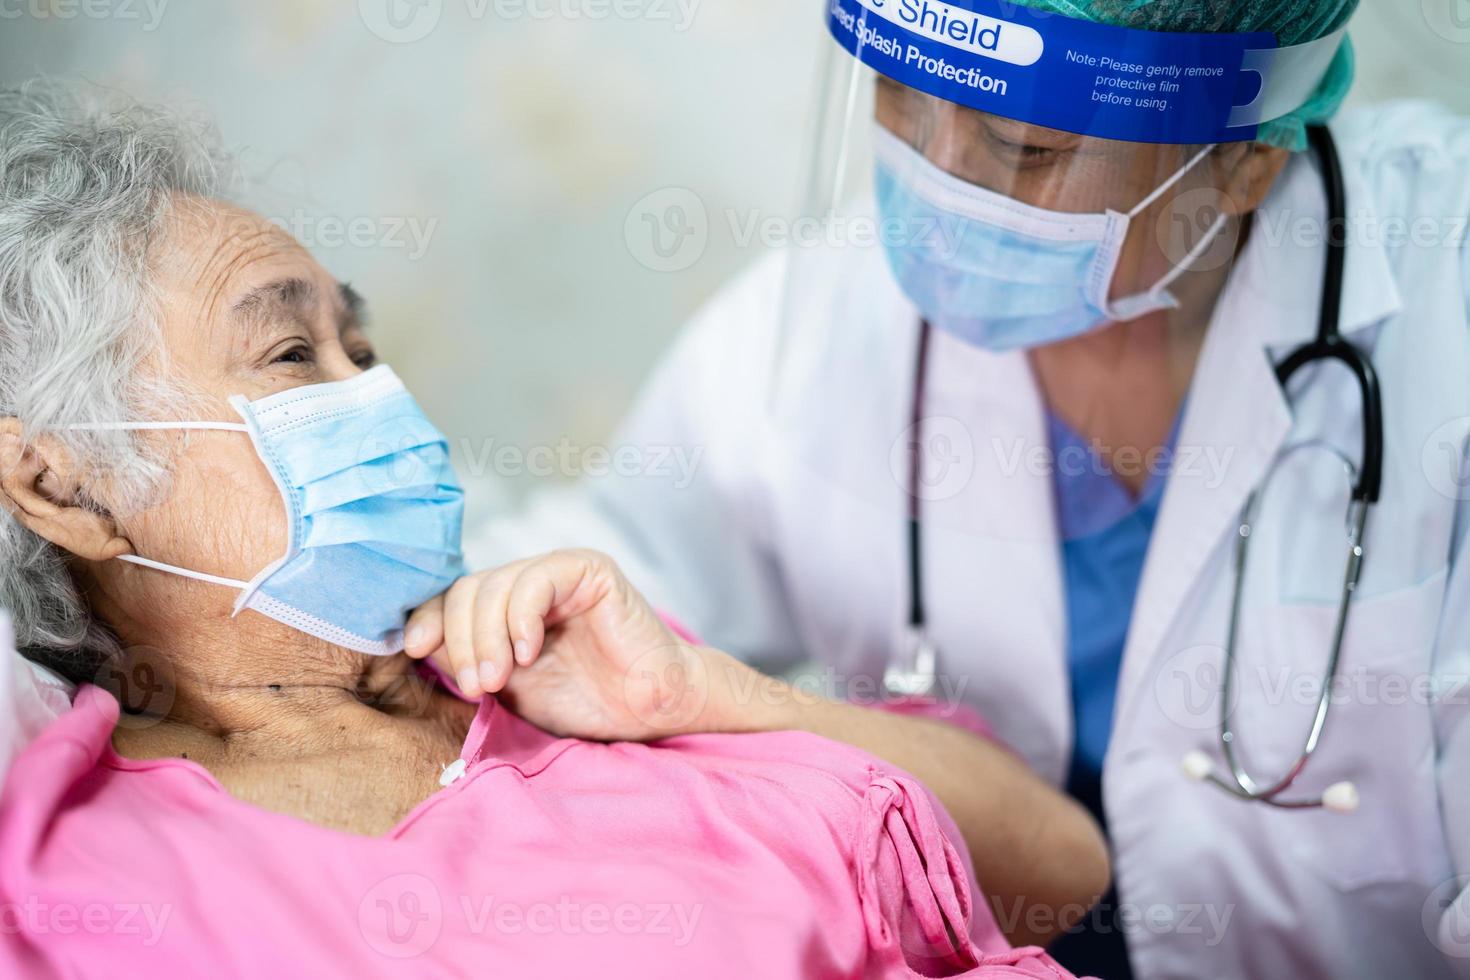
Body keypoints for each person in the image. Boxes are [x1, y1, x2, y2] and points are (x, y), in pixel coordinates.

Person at [0, 79, 1106, 978]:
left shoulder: (578, 662)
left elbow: (1063, 866)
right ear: (64, 485)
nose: (381, 400)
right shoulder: (65, 863)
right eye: (292, 356)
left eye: (365, 351)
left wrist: (703, 694)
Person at [452, 0, 1470, 976]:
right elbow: (585, 575)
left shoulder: (1446, 298)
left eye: (1022, 145)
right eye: (901, 93)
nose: (937, 185)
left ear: (1246, 158)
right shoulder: (821, 323)